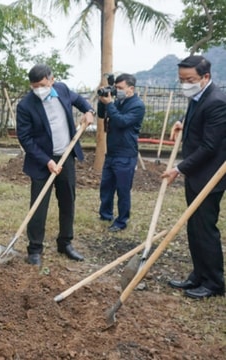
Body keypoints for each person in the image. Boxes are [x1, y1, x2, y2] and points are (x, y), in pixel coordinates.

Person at [16, 64, 95, 266]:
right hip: (42, 162)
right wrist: (47, 161)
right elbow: (25, 139)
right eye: (34, 87)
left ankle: (65, 243)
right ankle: (35, 249)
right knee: (38, 206)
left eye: (42, 85)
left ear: (51, 80)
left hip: (66, 157)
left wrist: (89, 110)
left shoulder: (62, 90)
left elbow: (79, 101)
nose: (39, 90)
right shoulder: (26, 106)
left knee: (68, 201)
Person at [162, 55, 226, 299]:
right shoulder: (199, 96)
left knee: (205, 228)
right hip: (197, 175)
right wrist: (182, 122)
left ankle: (214, 283)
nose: (184, 84)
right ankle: (198, 275)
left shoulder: (217, 101)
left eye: (189, 80)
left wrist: (179, 169)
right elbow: (197, 120)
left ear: (205, 77)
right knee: (194, 225)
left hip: (210, 177)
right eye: (181, 80)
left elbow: (210, 145)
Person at [97, 74, 145, 232]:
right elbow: (102, 115)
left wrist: (110, 104)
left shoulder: (137, 105)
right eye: (115, 88)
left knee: (123, 190)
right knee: (106, 186)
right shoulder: (117, 101)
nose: (117, 91)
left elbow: (122, 121)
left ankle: (121, 221)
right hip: (111, 152)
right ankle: (105, 215)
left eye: (120, 88)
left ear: (131, 89)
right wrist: (102, 100)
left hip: (126, 153)